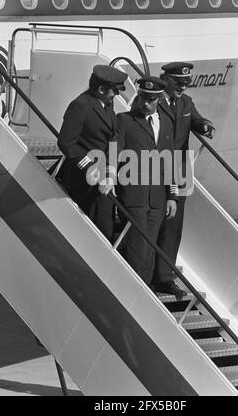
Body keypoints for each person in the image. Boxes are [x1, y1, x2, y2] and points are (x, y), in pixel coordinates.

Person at [100, 76, 178, 287]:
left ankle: (145, 290)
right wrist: (110, 174)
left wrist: (172, 196)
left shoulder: (167, 123)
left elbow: (170, 158)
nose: (145, 103)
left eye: (151, 99)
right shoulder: (125, 120)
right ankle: (134, 289)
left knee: (150, 246)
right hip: (134, 194)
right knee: (136, 246)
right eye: (143, 98)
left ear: (159, 99)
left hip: (158, 197)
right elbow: (115, 149)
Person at [152, 62, 215, 298]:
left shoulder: (186, 102)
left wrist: (205, 125)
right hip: (156, 169)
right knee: (153, 220)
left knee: (173, 227)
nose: (182, 87)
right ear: (165, 79)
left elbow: (195, 120)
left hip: (180, 170)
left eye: (186, 83)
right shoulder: (153, 101)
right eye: (178, 83)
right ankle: (146, 273)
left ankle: (165, 278)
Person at [57, 64, 128, 241]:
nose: (117, 95)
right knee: (91, 232)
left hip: (105, 178)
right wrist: (91, 167)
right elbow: (66, 143)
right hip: (85, 181)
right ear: (101, 89)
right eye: (115, 91)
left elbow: (112, 135)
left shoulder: (106, 104)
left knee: (105, 228)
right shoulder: (80, 106)